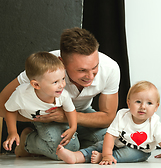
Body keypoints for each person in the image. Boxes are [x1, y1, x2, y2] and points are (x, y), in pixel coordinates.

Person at [0, 27, 120, 160]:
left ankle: (74, 148)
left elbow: (108, 117)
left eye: (95, 67)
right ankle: (27, 142)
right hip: (47, 115)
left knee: (114, 140)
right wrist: (40, 115)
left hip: (81, 113)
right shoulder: (44, 68)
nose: (90, 76)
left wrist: (66, 117)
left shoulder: (111, 68)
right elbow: (1, 106)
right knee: (65, 148)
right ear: (62, 62)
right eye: (82, 70)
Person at [56, 81, 161, 165]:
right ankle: (76, 156)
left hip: (140, 151)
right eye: (138, 102)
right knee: (98, 145)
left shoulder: (154, 122)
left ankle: (103, 158)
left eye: (149, 103)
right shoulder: (122, 115)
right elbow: (110, 136)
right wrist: (107, 153)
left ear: (156, 107)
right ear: (129, 103)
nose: (143, 107)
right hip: (117, 143)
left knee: (126, 155)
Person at [2, 52, 77, 156]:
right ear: (36, 85)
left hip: (55, 119)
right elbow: (10, 110)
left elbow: (70, 110)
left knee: (72, 147)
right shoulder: (22, 94)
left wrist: (73, 127)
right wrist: (12, 132)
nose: (62, 85)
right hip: (37, 119)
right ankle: (26, 141)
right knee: (58, 153)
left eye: (63, 79)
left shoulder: (63, 95)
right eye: (55, 82)